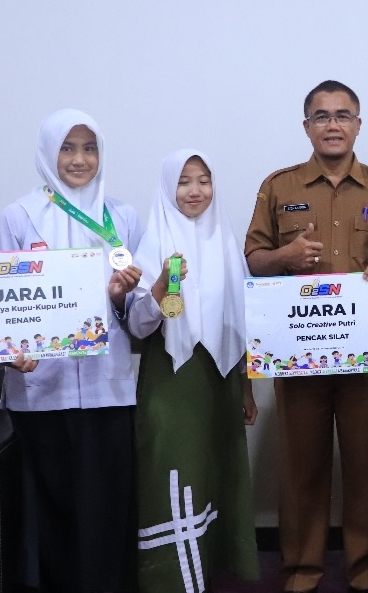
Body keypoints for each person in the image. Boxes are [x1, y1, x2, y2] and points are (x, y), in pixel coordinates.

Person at [243, 80, 368, 593]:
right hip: (299, 352)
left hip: (364, 355)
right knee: (301, 467)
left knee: (365, 465)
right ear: (307, 126)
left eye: (342, 116)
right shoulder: (279, 187)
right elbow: (253, 260)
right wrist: (285, 257)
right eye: (322, 116)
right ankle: (301, 569)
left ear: (358, 125)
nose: (332, 125)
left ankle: (367, 569)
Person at [0, 108, 142, 593]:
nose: (79, 159)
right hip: (41, 391)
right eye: (68, 148)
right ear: (48, 153)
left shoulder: (123, 218)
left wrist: (121, 297)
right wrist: (9, 352)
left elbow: (138, 312)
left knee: (107, 509)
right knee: (51, 514)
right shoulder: (19, 217)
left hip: (107, 390)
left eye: (89, 148)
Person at [127, 150, 259, 592]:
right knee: (173, 472)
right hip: (171, 378)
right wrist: (158, 287)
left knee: (216, 472)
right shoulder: (153, 243)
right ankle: (170, 579)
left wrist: (246, 389)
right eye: (184, 181)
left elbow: (240, 323)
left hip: (220, 379)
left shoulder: (225, 241)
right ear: (169, 188)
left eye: (204, 180)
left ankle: (208, 570)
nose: (195, 190)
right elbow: (138, 325)